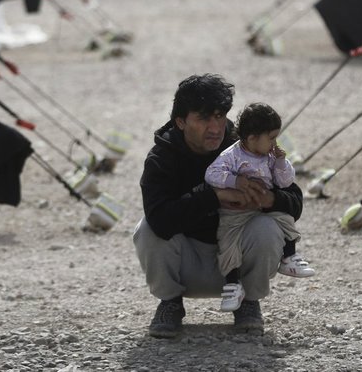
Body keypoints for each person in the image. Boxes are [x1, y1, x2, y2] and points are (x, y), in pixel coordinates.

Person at [133, 74, 304, 338]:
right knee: (146, 229)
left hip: (238, 260)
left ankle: (248, 304)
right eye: (203, 118)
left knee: (268, 228)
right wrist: (215, 195)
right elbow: (160, 219)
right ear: (181, 122)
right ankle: (170, 303)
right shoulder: (162, 157)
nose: (215, 127)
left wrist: (270, 199)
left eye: (220, 116)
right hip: (187, 263)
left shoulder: (245, 147)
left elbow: (295, 202)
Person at [204, 102, 315, 313]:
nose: (275, 142)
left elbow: (285, 183)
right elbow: (211, 174)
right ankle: (233, 284)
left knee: (285, 220)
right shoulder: (231, 156)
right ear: (252, 138)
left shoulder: (271, 156)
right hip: (234, 212)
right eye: (271, 137)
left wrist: (282, 163)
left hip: (262, 209)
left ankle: (288, 257)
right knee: (228, 244)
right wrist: (235, 182)